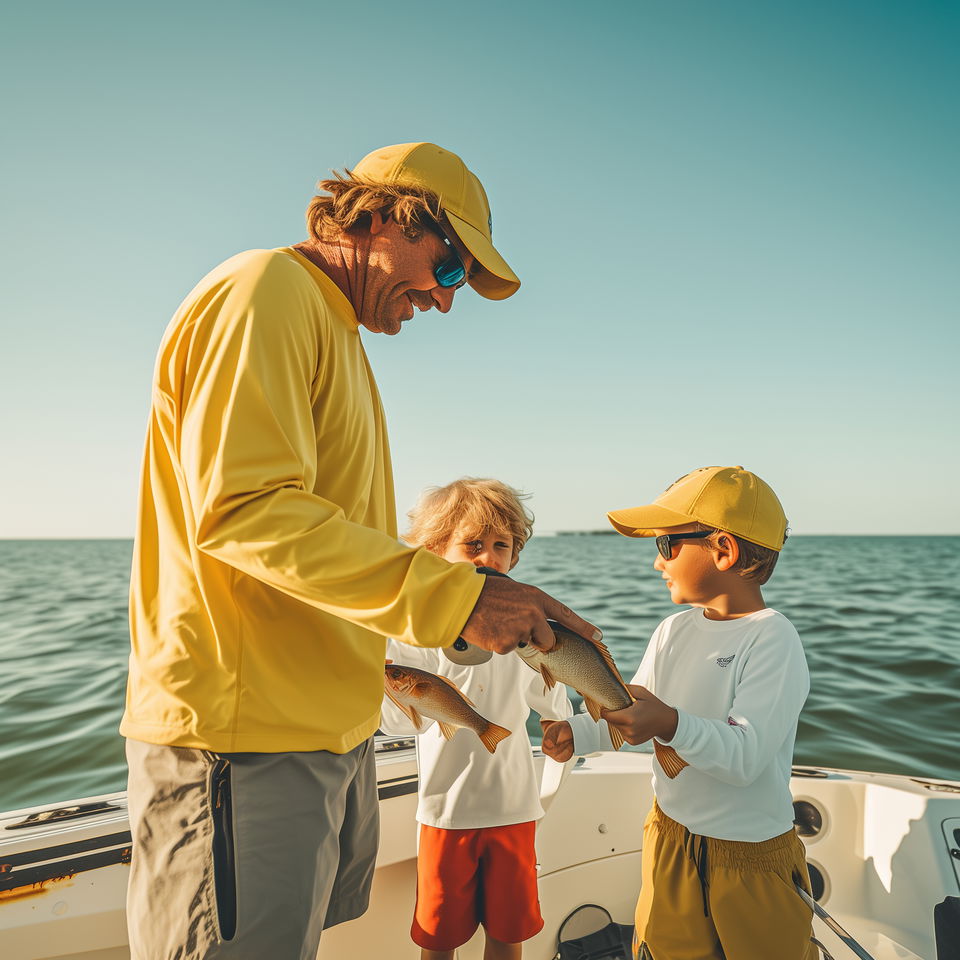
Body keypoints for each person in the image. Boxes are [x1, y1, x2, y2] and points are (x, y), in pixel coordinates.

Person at [121, 142, 599, 960]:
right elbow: (245, 510)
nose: (445, 302)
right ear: (381, 217)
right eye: (448, 271)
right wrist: (461, 598)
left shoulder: (333, 329)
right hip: (246, 736)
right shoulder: (265, 291)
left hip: (321, 733)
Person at [541, 466, 816, 960]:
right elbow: (633, 715)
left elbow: (744, 756)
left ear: (724, 550)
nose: (656, 562)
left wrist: (670, 723)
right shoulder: (672, 630)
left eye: (667, 544)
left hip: (750, 859)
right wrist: (579, 734)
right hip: (670, 839)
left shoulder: (772, 637)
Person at [380, 478, 573, 960]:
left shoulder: (524, 636)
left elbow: (553, 700)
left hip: (514, 811)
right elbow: (401, 725)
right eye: (473, 545)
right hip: (445, 814)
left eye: (501, 546)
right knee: (438, 939)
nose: (489, 556)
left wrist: (558, 730)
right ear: (433, 554)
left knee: (509, 935)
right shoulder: (410, 636)